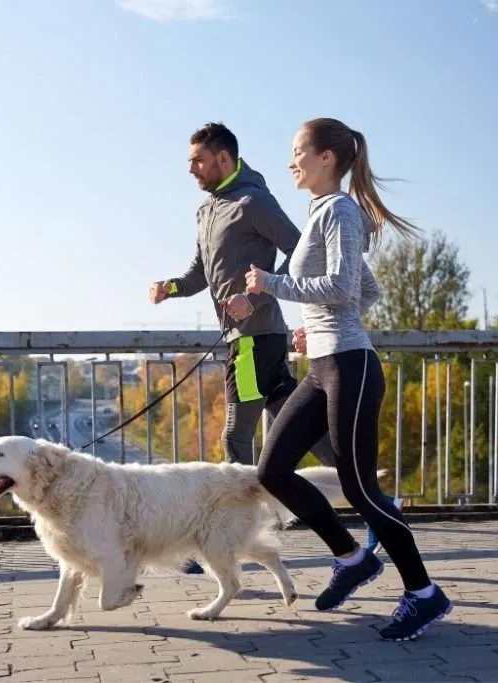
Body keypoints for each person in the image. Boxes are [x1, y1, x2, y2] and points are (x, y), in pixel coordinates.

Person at [238, 117, 452, 641]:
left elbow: (341, 284)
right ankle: (352, 558)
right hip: (326, 364)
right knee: (272, 469)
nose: (291, 161)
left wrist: (273, 283)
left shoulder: (340, 209)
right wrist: (318, 328)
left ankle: (424, 594)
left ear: (327, 157)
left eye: (298, 152)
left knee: (360, 488)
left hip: (351, 366)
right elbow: (366, 290)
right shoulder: (323, 213)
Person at [150, 122, 376, 573]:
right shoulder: (207, 211)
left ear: (223, 159)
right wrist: (170, 287)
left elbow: (300, 252)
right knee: (303, 433)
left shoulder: (254, 202)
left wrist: (255, 295)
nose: (191, 169)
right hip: (244, 340)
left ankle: (220, 542)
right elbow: (200, 274)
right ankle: (376, 502)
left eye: (197, 160)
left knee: (237, 441)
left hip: (257, 338)